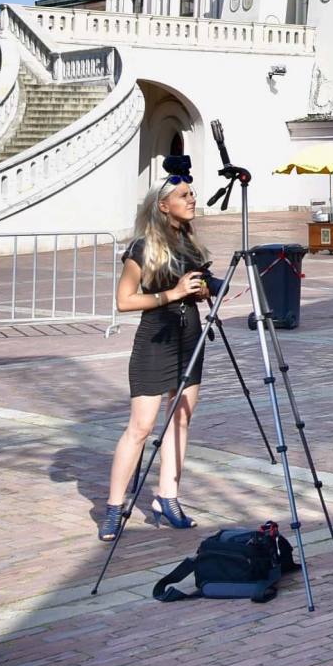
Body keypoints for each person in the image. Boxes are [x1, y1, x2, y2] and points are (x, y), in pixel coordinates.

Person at [99, 167, 213, 541]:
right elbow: (124, 300)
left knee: (180, 419)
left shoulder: (191, 243)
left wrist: (202, 292)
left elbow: (196, 286)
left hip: (189, 335)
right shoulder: (143, 247)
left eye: (192, 194)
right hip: (155, 339)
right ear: (163, 206)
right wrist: (174, 294)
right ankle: (115, 507)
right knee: (141, 427)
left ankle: (169, 497)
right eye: (184, 196)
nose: (191, 199)